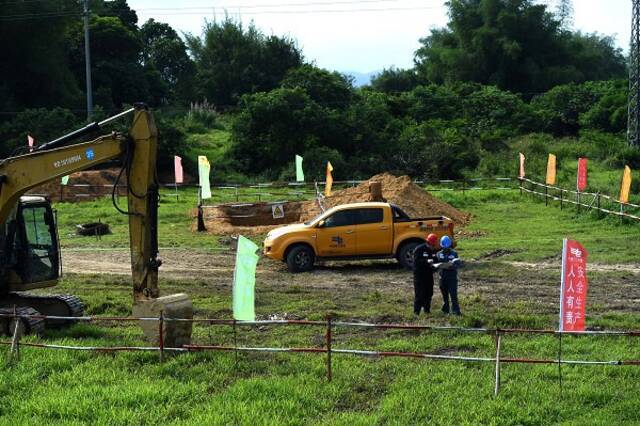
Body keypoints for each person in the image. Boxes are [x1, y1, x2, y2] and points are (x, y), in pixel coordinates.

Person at [412, 233, 439, 316]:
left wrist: (437, 266)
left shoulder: (433, 250)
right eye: (434, 242)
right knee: (420, 294)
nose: (434, 244)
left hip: (429, 275)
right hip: (419, 276)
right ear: (430, 242)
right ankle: (416, 313)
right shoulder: (419, 249)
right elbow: (416, 262)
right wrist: (426, 261)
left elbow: (436, 261)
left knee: (429, 293)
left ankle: (427, 311)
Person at [436, 235, 462, 315]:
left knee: (453, 295)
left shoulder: (454, 254)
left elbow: (458, 265)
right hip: (442, 278)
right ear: (442, 246)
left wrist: (452, 265)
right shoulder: (438, 254)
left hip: (452, 278)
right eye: (444, 247)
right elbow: (436, 265)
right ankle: (445, 310)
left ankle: (456, 311)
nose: (446, 249)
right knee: (445, 296)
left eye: (447, 247)